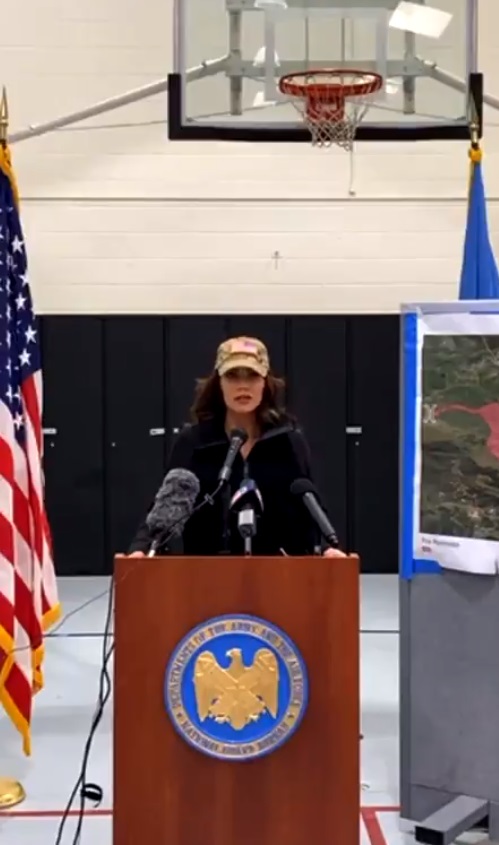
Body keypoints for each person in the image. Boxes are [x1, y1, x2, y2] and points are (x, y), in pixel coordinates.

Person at [123, 337, 345, 558]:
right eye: (232, 376)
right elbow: (165, 504)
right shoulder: (194, 442)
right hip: (203, 576)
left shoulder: (288, 442)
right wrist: (141, 549)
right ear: (218, 383)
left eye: (252, 376)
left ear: (265, 383)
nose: (243, 385)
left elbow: (308, 507)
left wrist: (327, 548)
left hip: (278, 576)